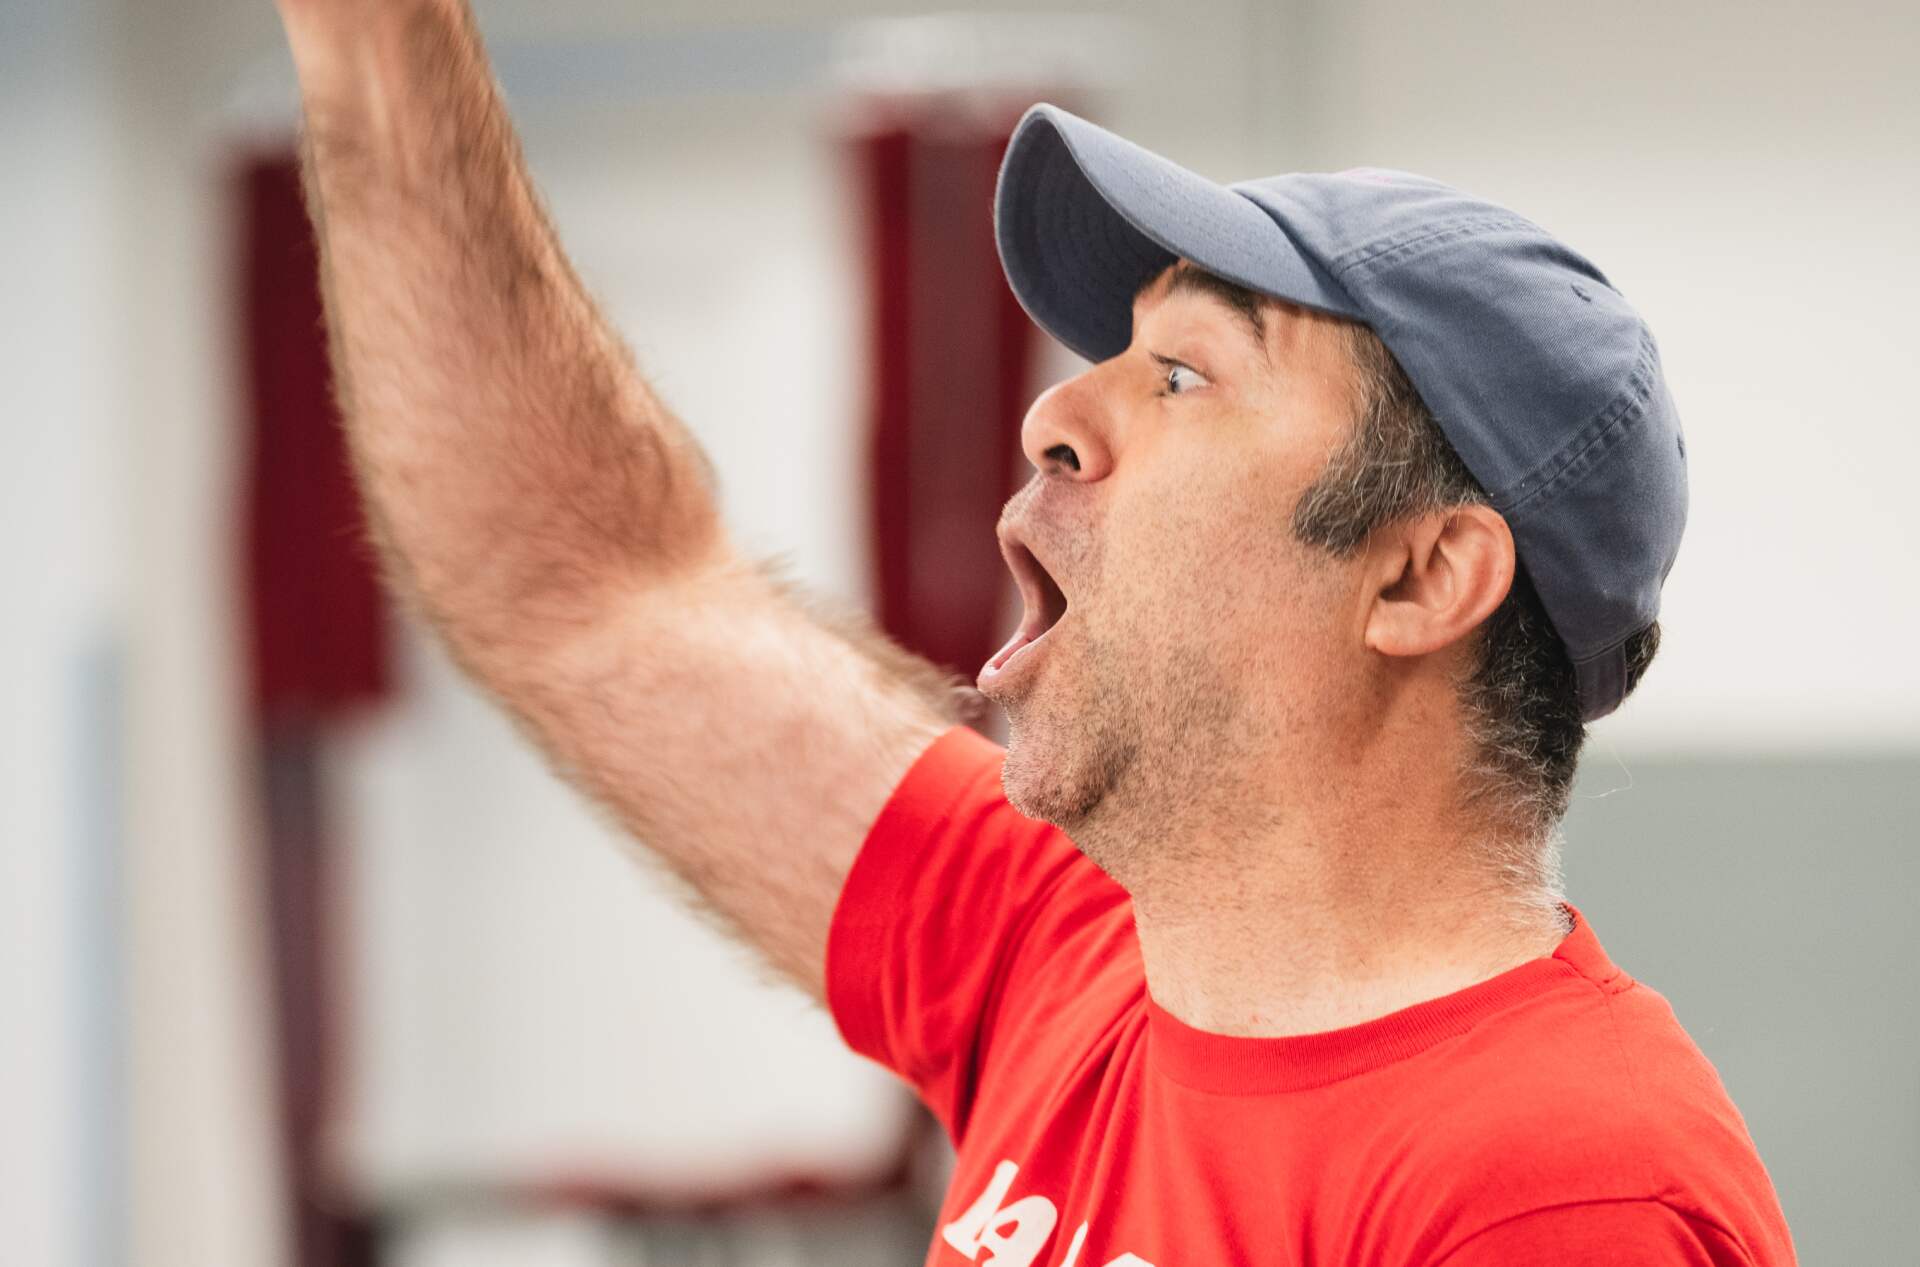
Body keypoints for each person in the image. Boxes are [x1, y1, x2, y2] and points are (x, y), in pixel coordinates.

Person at [271, 0, 1797, 1262]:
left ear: (1416, 578)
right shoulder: (1066, 958)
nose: (1055, 414)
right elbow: (589, 590)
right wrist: (377, 43)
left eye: (1188, 376)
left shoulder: (1556, 1192)